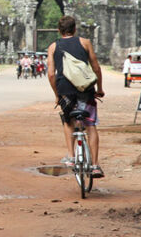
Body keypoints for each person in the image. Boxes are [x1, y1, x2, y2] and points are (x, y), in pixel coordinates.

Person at [47, 15, 105, 178]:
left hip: (65, 89)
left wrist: (57, 95)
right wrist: (99, 88)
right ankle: (95, 166)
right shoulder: (85, 42)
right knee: (90, 125)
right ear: (75, 29)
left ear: (59, 31)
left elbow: (51, 74)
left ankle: (71, 157)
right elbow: (96, 67)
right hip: (85, 88)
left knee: (68, 121)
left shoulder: (53, 47)